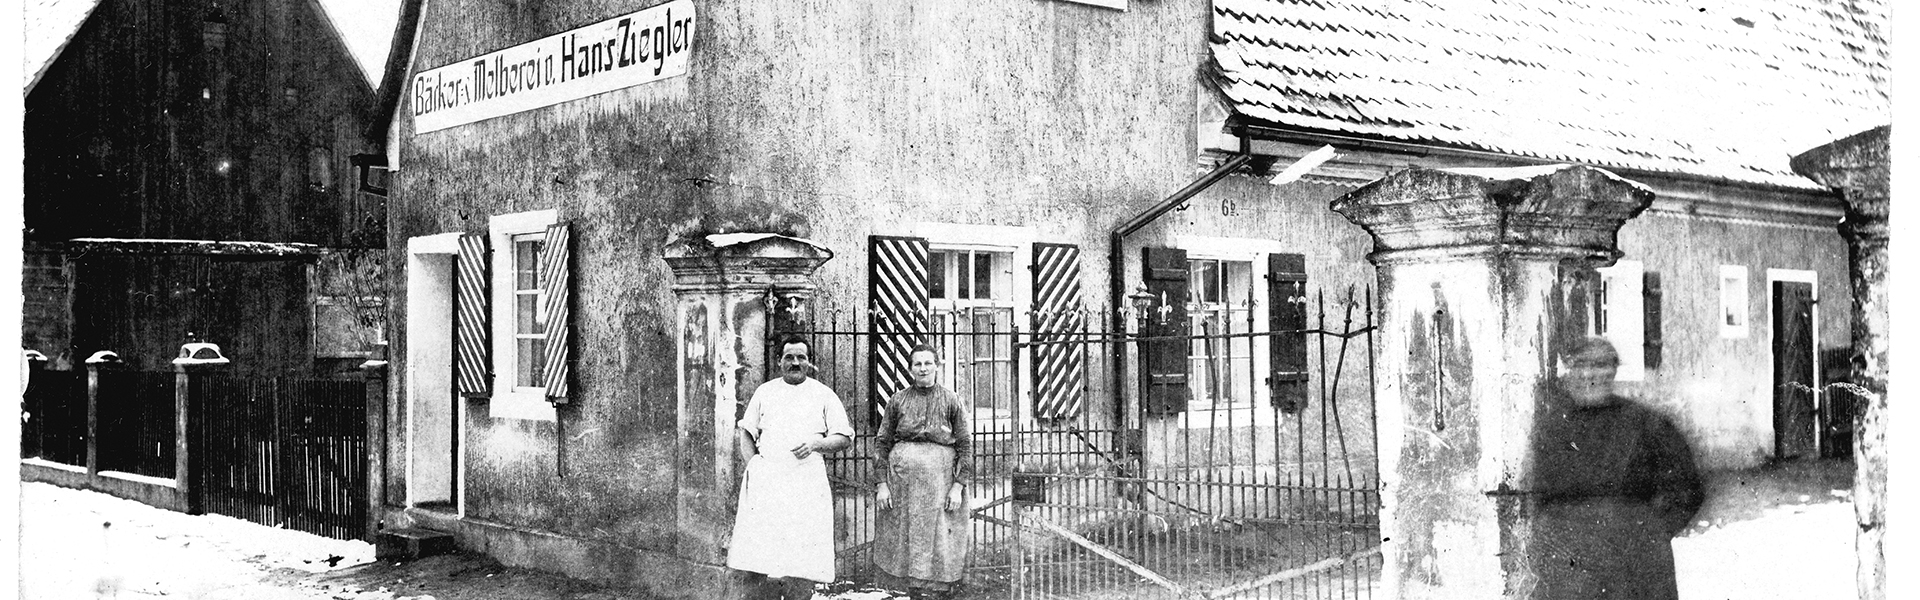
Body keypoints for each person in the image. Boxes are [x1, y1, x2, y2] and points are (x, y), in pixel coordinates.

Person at [1527, 336, 1704, 600]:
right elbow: (1541, 499)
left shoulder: (1644, 423)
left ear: (1613, 371)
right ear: (1570, 370)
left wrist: (1649, 533)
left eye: (1600, 366)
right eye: (1581, 365)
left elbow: (1687, 490)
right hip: (1573, 568)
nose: (1590, 374)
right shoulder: (1554, 427)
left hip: (1634, 564)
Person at [728, 335, 855, 600]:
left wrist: (816, 443)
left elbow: (843, 438)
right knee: (762, 556)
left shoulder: (823, 394)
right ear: (779, 362)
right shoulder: (765, 392)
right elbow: (746, 433)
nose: (795, 363)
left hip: (806, 484)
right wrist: (755, 467)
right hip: (768, 484)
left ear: (809, 362)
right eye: (789, 357)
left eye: (801, 357)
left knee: (801, 557)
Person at [872, 344, 973, 599]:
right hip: (903, 481)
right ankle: (910, 590)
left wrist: (958, 486)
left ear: (937, 366)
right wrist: (881, 484)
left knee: (939, 534)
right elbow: (882, 442)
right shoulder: (898, 400)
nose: (923, 368)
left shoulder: (951, 399)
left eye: (928, 363)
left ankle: (937, 591)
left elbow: (965, 445)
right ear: (910, 369)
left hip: (940, 482)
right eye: (917, 364)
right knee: (906, 534)